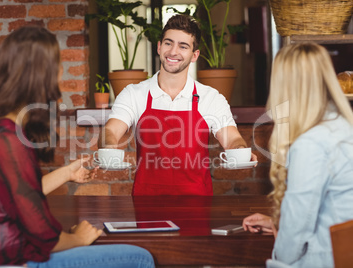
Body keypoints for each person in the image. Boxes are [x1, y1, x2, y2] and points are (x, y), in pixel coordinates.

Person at [0, 26, 155, 268]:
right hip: (10, 261)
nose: (61, 74)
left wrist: (68, 173)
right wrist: (78, 238)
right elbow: (43, 236)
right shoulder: (7, 140)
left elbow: (17, 193)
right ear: (40, 76)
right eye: (57, 66)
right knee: (140, 258)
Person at [98, 14, 256, 196]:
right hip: (146, 203)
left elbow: (232, 139)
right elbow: (110, 131)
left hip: (198, 205)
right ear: (159, 46)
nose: (173, 52)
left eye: (183, 46)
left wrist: (240, 150)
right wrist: (109, 148)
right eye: (168, 43)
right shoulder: (134, 94)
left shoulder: (210, 98)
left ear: (194, 55)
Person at [242, 43, 353, 267]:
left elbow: (296, 232)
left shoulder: (312, 143)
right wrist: (276, 224)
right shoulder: (343, 127)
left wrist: (280, 247)